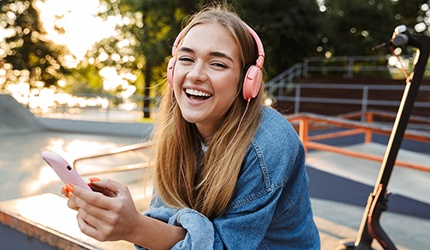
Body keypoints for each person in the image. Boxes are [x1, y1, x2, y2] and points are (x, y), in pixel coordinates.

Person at [63, 4, 320, 249]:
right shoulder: (181, 132)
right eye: (187, 58)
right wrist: (119, 215)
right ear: (172, 70)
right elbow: (171, 228)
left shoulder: (269, 143)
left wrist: (134, 227)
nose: (195, 74)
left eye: (217, 63)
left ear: (248, 81)